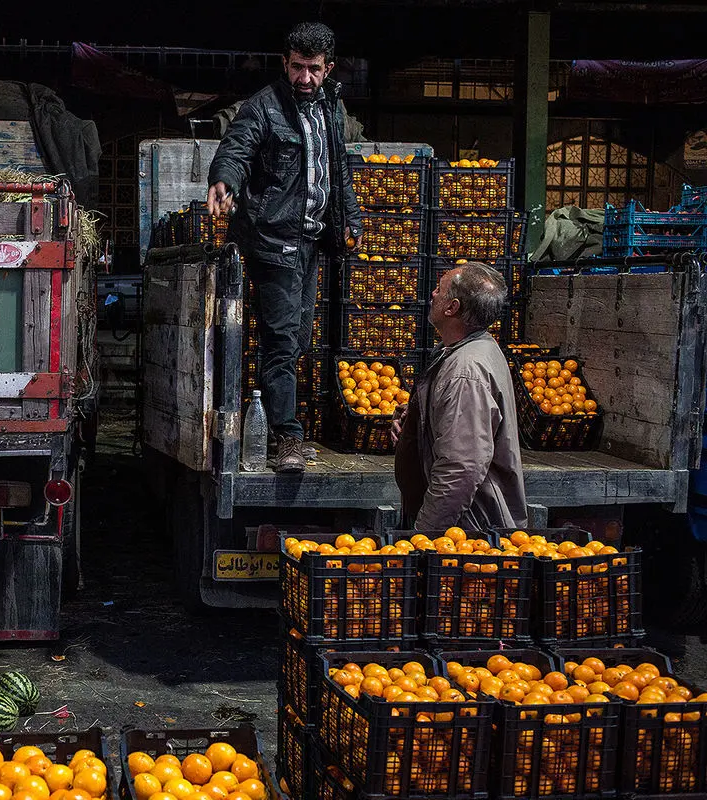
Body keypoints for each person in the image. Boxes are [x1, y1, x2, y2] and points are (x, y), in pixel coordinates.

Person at [206, 21, 362, 472]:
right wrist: (224, 180)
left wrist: (350, 217)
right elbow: (236, 147)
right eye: (297, 68)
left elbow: (339, 171)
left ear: (328, 68)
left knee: (296, 337)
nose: (305, 79)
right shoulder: (264, 107)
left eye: (314, 69)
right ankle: (287, 438)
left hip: (311, 242)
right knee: (280, 338)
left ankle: (278, 423)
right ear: (285, 63)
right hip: (271, 241)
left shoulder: (331, 107)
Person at [392, 262, 527, 530]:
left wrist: (425, 536)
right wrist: (418, 423)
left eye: (439, 290)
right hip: (461, 526)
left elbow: (460, 469)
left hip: (465, 531)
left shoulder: (466, 372)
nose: (432, 294)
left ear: (452, 307)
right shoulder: (469, 349)